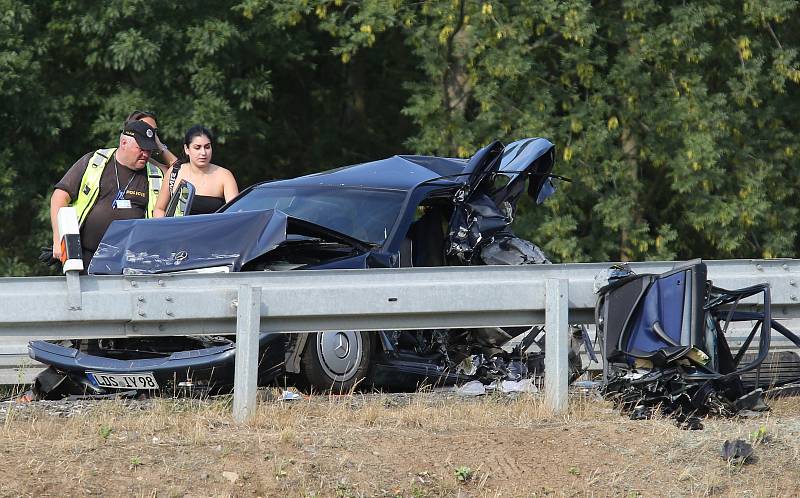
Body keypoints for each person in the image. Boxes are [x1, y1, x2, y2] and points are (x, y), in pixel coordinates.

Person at [50, 120, 160, 269]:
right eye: (141, 148)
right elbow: (59, 197)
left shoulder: (155, 175)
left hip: (132, 263)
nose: (146, 154)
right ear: (123, 143)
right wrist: (59, 238)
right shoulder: (95, 161)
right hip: (86, 256)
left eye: (149, 150)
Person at [153, 125, 238, 217]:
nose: (203, 153)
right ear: (187, 149)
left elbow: (235, 214)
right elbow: (159, 209)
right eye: (197, 148)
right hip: (179, 230)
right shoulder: (174, 172)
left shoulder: (224, 176)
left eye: (207, 147)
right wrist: (169, 227)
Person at [123, 110, 181, 175]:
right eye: (145, 127)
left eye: (154, 131)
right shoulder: (110, 158)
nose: (150, 133)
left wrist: (160, 146)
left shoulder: (147, 161)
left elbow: (179, 173)